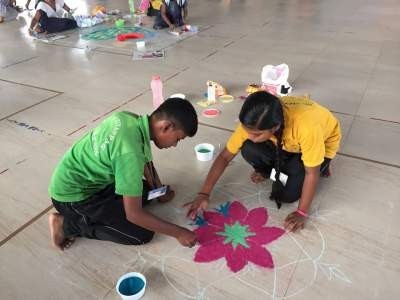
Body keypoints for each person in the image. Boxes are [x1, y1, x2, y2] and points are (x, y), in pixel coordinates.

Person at [49, 98, 198, 251]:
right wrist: (179, 233)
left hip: (90, 181)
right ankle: (66, 225)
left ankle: (113, 205)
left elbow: (146, 161)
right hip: (73, 198)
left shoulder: (130, 119)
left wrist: (159, 191)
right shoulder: (130, 154)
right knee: (140, 234)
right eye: (178, 139)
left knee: (147, 191)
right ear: (166, 127)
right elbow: (134, 215)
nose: (174, 145)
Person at [185, 91, 341, 232]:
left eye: (257, 134)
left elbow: (310, 173)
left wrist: (302, 212)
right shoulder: (254, 121)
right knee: (249, 148)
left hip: (320, 143)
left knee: (287, 195)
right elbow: (225, 156)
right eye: (248, 132)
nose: (251, 136)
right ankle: (272, 169)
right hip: (288, 144)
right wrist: (204, 193)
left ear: (275, 127)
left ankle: (323, 163)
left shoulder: (307, 128)